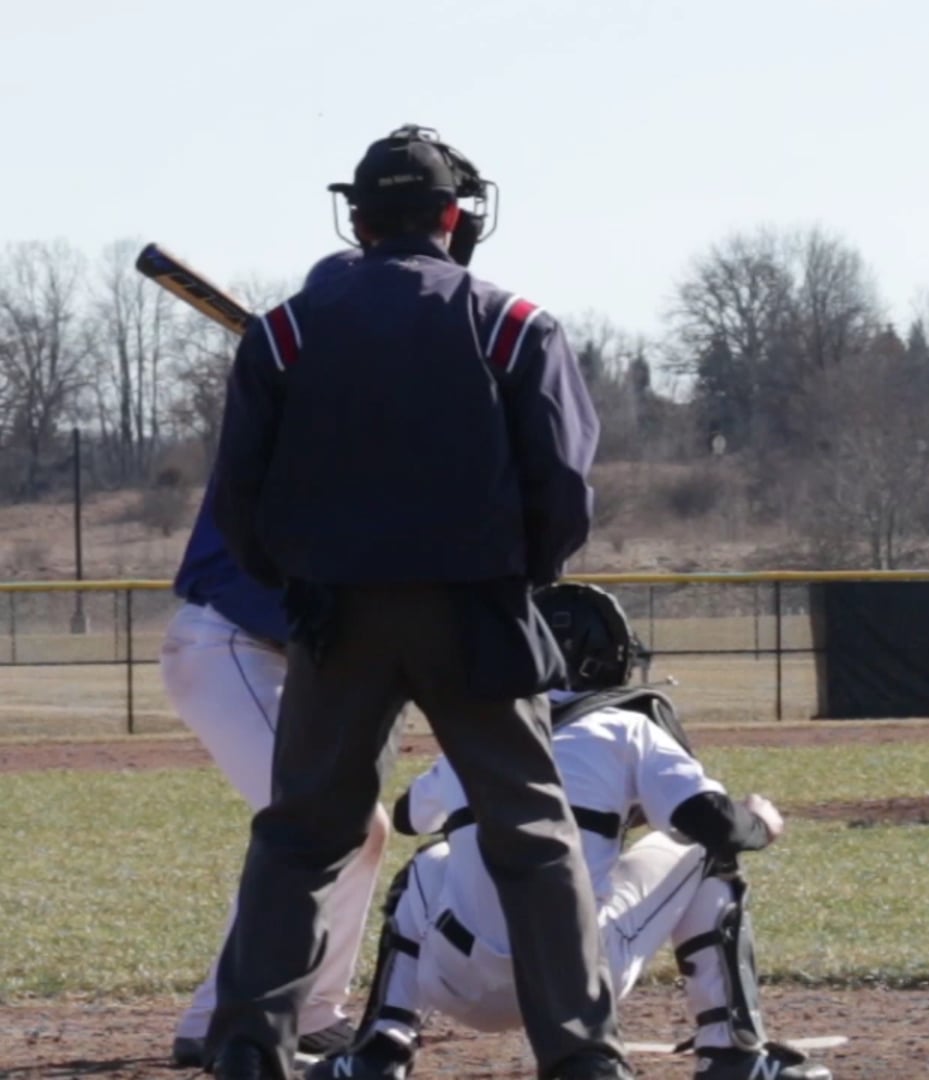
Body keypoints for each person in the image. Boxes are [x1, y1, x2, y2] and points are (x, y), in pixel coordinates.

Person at [200, 124, 629, 1080]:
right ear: (451, 215)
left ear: (356, 219)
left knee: (303, 833)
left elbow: (238, 499)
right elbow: (563, 485)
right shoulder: (512, 322)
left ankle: (245, 1045)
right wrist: (523, 576)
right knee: (531, 831)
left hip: (336, 613)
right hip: (474, 609)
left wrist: (302, 585)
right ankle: (581, 1055)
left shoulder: (285, 330)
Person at [310, 583, 833, 1080]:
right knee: (702, 853)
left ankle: (380, 1048)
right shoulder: (627, 728)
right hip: (576, 985)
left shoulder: (481, 727)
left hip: (458, 983)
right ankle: (733, 1054)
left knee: (431, 860)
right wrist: (761, 821)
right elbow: (717, 827)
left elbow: (407, 818)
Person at [161, 251, 376, 1072]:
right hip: (225, 643)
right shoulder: (289, 403)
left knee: (356, 828)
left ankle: (311, 1004)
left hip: (262, 650)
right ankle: (222, 1014)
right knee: (319, 825)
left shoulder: (334, 402)